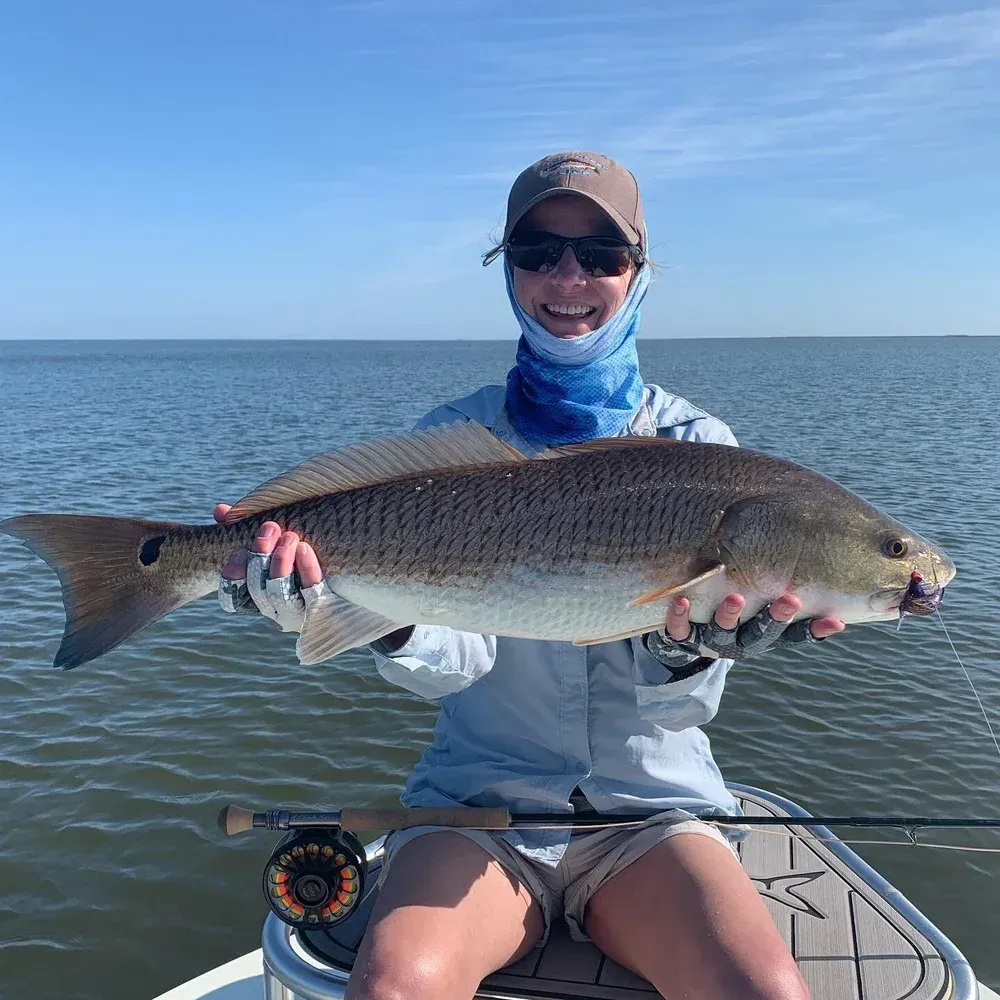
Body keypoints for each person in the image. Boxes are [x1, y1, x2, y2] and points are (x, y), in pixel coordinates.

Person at [216, 151, 845, 1000]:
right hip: (477, 812)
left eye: (601, 254)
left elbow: (679, 708)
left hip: (651, 815)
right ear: (508, 271)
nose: (568, 276)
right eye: (537, 253)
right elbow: (457, 664)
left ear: (640, 268)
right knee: (393, 989)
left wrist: (693, 652)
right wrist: (372, 609)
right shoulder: (453, 439)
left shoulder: (703, 449)